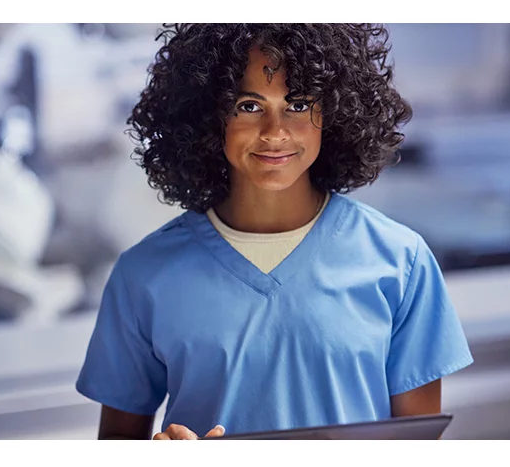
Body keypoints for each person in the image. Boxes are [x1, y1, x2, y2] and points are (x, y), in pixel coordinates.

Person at [76, 23, 473, 440]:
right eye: (249, 106)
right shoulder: (144, 275)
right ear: (209, 114)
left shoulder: (401, 262)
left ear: (334, 111)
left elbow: (419, 446)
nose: (275, 132)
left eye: (298, 104)